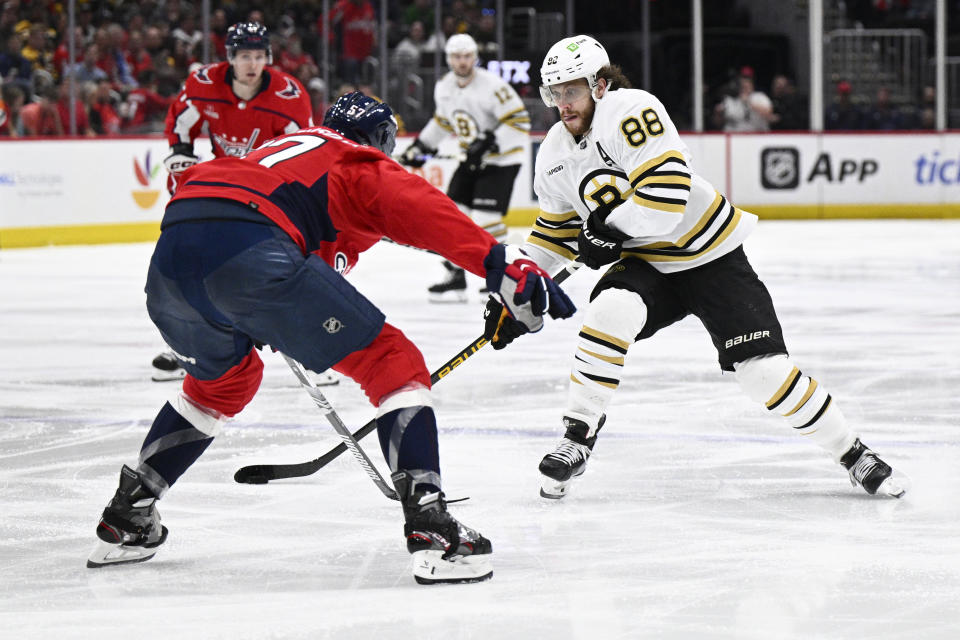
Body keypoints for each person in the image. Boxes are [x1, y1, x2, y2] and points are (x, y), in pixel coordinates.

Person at [86, 92, 575, 584]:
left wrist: (266, 306)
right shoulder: (353, 160)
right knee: (393, 361)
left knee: (222, 386)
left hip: (171, 263)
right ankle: (432, 528)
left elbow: (306, 255)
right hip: (252, 244)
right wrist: (500, 265)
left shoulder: (284, 152)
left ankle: (127, 516)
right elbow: (419, 208)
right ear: (381, 141)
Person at [484, 35, 906, 501]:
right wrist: (513, 288)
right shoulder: (553, 156)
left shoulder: (631, 111)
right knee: (609, 311)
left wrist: (608, 230)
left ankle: (853, 453)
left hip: (711, 256)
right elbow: (554, 235)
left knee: (762, 372)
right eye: (554, 93)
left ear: (600, 85)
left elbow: (665, 198)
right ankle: (577, 436)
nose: (562, 103)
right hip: (648, 263)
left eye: (572, 90)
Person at [154, 21, 314, 382]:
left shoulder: (288, 96)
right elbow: (180, 123)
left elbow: (303, 152)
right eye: (245, 56)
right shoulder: (204, 84)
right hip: (224, 186)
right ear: (231, 58)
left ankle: (306, 343)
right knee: (196, 261)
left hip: (269, 191)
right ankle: (190, 344)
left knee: (281, 266)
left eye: (259, 56)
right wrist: (180, 154)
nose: (252, 64)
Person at [399, 33, 530, 302]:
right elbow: (443, 123)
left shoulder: (492, 86)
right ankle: (455, 276)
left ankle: (501, 274)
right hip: (471, 161)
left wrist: (490, 142)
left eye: (467, 56)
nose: (462, 62)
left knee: (485, 220)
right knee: (454, 217)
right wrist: (421, 146)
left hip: (501, 161)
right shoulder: (444, 86)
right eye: (457, 57)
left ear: (475, 56)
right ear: (449, 58)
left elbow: (519, 121)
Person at [713, 65, 774, 132]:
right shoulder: (730, 100)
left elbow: (769, 115)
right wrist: (718, 114)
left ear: (752, 84)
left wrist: (748, 102)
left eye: (747, 82)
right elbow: (718, 124)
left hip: (756, 136)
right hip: (734, 136)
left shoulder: (760, 97)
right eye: (742, 83)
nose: (744, 85)